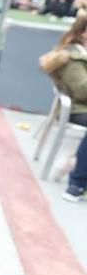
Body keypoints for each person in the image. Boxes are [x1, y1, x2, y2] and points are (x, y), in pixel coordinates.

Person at [43, 15, 87, 202]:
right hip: (77, 109)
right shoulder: (72, 56)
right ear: (83, 33)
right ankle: (77, 183)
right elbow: (82, 91)